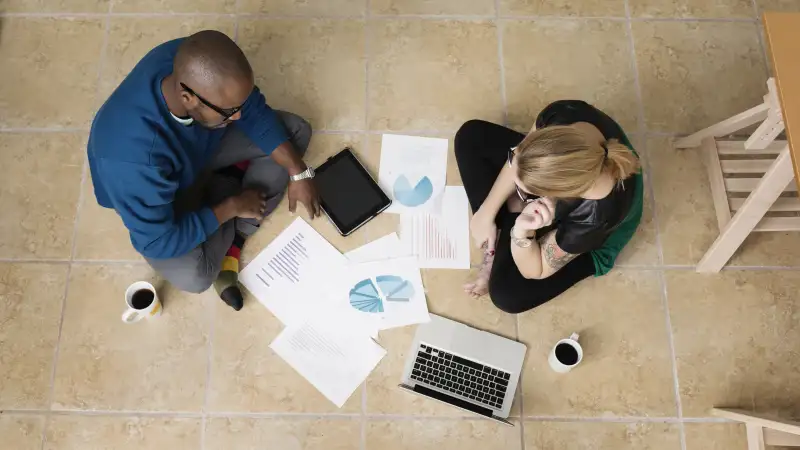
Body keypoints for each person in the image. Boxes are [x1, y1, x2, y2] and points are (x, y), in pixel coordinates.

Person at [88, 30, 321, 311]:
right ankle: (230, 197)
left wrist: (298, 172)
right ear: (188, 97)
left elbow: (253, 111)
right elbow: (160, 242)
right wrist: (231, 206)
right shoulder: (135, 163)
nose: (238, 116)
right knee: (196, 276)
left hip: (199, 150)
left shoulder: (185, 56)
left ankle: (233, 237)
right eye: (228, 111)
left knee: (295, 132)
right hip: (162, 190)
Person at [455, 100, 643, 314]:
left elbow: (536, 269)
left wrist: (520, 232)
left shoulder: (596, 217)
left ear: (558, 196)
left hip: (595, 242)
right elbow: (518, 160)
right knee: (471, 137)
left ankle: (499, 243)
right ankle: (500, 239)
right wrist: (486, 212)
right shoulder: (561, 114)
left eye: (524, 193)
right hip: (573, 170)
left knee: (507, 295)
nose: (516, 195)